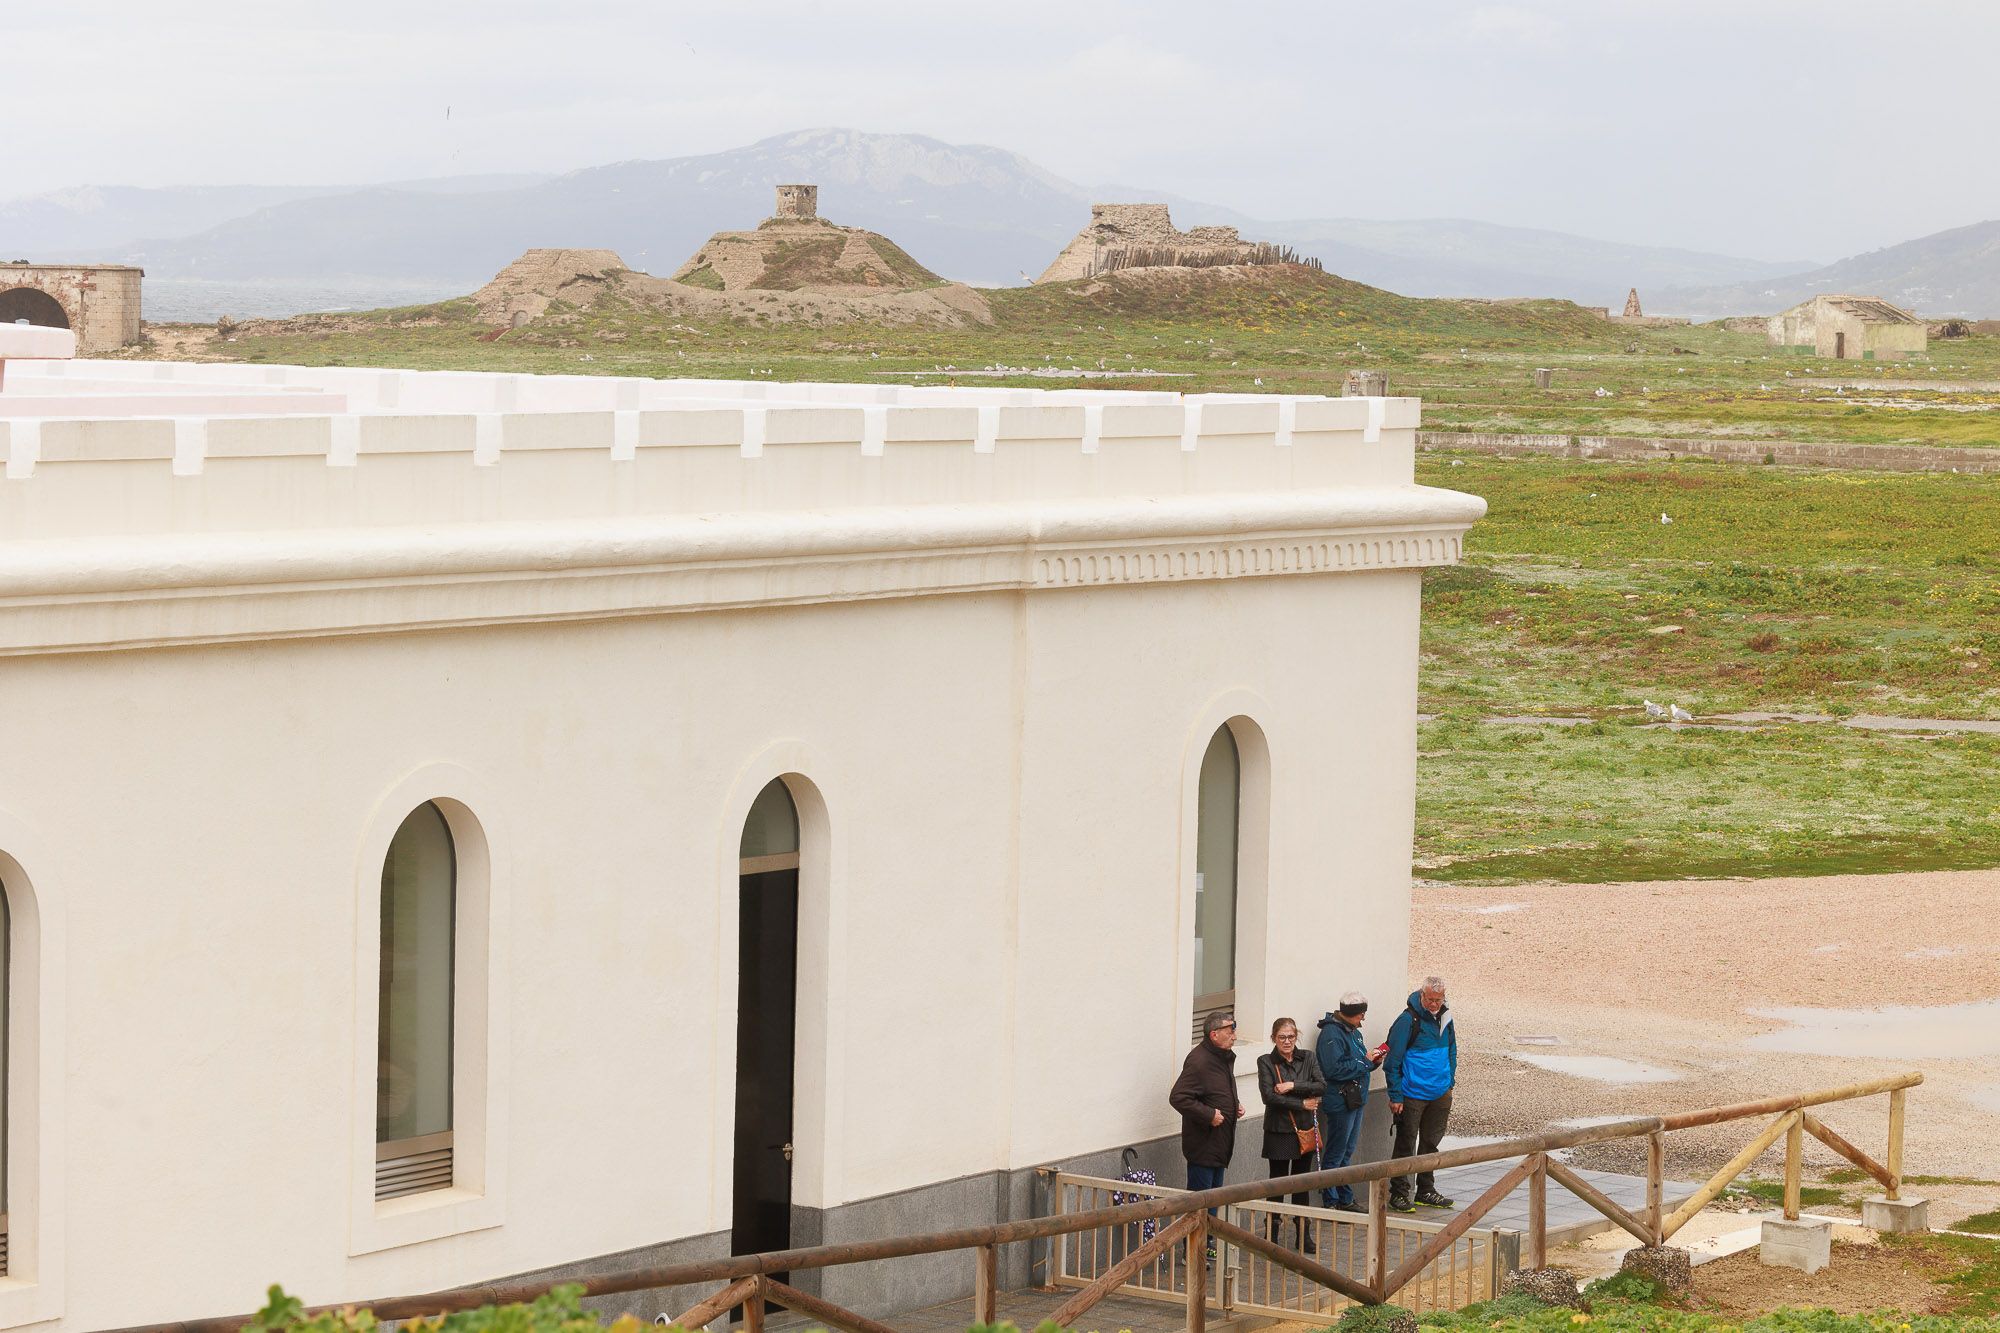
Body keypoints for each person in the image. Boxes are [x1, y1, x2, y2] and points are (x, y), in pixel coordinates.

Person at [1384, 975, 1458, 1212]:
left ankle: (1425, 1190)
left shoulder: (1446, 1018)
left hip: (1440, 1093)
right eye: (1431, 999)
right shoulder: (1407, 1021)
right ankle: (1399, 1193)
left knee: (1430, 1143)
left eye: (1439, 999)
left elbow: (1452, 1049)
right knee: (1405, 1143)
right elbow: (1392, 1060)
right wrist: (1396, 1096)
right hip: (1412, 1093)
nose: (1435, 1004)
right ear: (1421, 995)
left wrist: (1449, 1082)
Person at [1256, 1017, 1326, 1250]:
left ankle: (1303, 1235)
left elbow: (1321, 1086)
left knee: (1301, 1183)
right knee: (1277, 1184)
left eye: (1291, 1037)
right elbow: (1269, 1097)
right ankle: (1271, 1236)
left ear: (1297, 1036)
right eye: (1282, 1037)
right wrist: (1302, 1104)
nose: (1287, 1042)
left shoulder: (1308, 1057)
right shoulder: (1265, 1061)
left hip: (1303, 1130)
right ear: (1273, 1038)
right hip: (1279, 1129)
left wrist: (1292, 1086)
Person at [1314, 991, 1381, 1213]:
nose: (1363, 1019)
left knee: (1347, 1151)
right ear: (1352, 1014)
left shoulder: (1351, 1031)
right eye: (1361, 1015)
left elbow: (1355, 1062)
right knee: (1336, 1152)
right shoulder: (1331, 1034)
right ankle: (1332, 1201)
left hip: (1354, 1099)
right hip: (1341, 1101)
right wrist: (1366, 1062)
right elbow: (1334, 1070)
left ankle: (1344, 1198)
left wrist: (1371, 1062)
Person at [1170, 1011, 1247, 1197]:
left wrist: (1234, 1103)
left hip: (1218, 1145)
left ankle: (1209, 1227)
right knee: (1201, 1207)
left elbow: (1214, 1088)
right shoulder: (1199, 1061)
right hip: (1204, 1147)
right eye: (1230, 1031)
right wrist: (1209, 1115)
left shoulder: (1222, 1056)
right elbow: (1179, 1097)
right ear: (1214, 1034)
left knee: (1213, 1203)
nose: (1234, 1036)